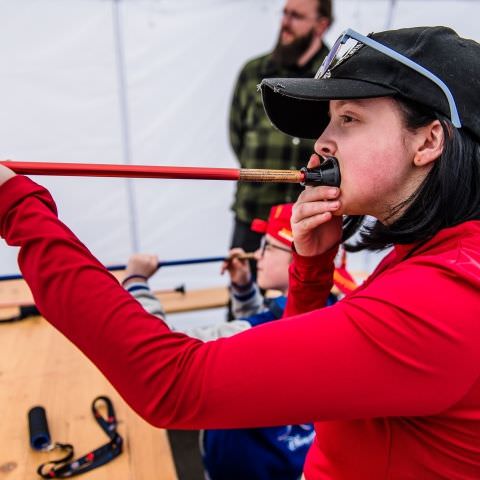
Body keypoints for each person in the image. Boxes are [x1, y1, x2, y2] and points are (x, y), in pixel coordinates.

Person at [1, 25, 480, 479]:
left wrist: (19, 211)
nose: (323, 142)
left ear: (429, 140)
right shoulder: (436, 258)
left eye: (349, 119)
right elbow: (308, 397)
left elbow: (174, 386)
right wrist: (310, 273)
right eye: (330, 120)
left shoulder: (444, 301)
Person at [122, 204, 350, 480]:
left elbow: (156, 347)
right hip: (297, 459)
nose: (256, 255)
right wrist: (244, 290)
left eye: (267, 246)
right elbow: (267, 337)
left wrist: (136, 281)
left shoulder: (253, 331)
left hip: (240, 468)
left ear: (297, 257)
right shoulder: (336, 315)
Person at [229, 0, 332, 260]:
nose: (285, 22)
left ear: (321, 25)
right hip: (252, 217)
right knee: (244, 293)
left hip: (308, 220)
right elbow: (236, 134)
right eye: (285, 13)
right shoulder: (254, 72)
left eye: (296, 16)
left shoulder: (335, 79)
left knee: (304, 297)